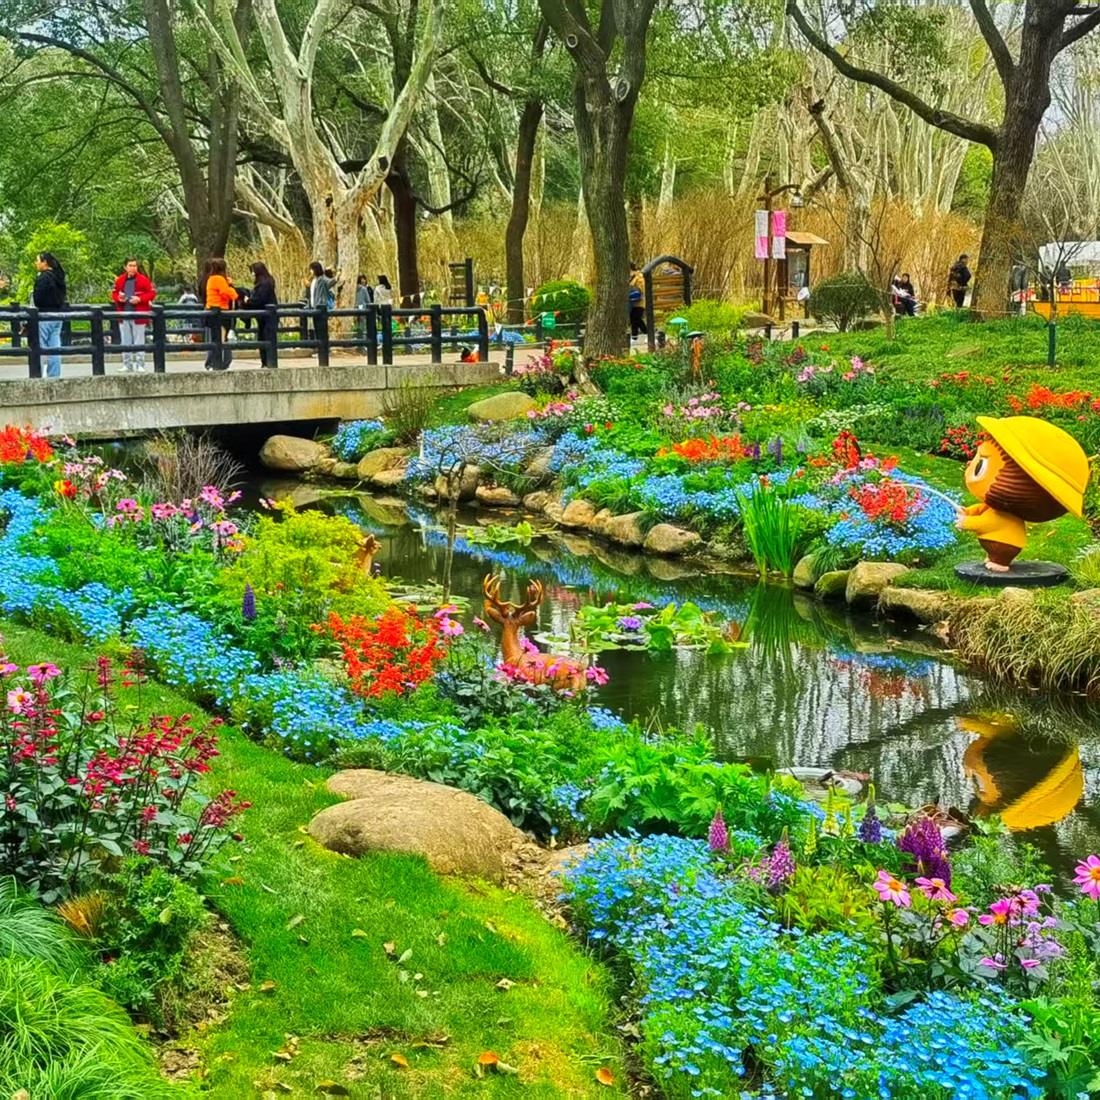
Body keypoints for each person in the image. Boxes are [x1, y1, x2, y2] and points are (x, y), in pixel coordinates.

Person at [110, 257, 156, 373]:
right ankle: (127, 364)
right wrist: (119, 298)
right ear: (125, 267)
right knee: (125, 340)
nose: (132, 268)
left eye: (134, 265)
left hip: (138, 314)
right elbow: (114, 293)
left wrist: (140, 299)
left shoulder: (143, 280)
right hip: (124, 312)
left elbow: (152, 293)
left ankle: (140, 364)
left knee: (139, 340)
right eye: (130, 265)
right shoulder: (120, 280)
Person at [32, 252, 66, 378]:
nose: (36, 263)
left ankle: (37, 374)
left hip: (44, 315)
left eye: (37, 261)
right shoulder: (59, 277)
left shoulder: (43, 278)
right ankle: (54, 375)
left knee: (39, 347)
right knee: (55, 347)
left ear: (44, 262)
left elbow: (38, 299)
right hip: (58, 316)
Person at [203, 257, 238, 370]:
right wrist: (233, 291)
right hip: (221, 311)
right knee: (220, 339)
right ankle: (217, 363)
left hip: (211, 309)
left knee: (215, 338)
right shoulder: (219, 279)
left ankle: (213, 363)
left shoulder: (211, 279)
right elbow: (226, 292)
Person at [250, 262, 279, 368]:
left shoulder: (265, 284)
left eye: (253, 271)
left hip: (268, 316)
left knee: (267, 338)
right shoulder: (265, 282)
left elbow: (259, 299)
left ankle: (268, 362)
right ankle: (266, 362)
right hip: (264, 317)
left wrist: (249, 301)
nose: (252, 274)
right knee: (263, 338)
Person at [354, 274, 373, 349]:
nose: (363, 281)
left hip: (355, 308)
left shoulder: (354, 288)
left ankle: (359, 341)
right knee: (363, 326)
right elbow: (368, 300)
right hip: (363, 308)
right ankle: (363, 343)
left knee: (357, 326)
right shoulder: (364, 289)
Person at [629, 261, 646, 339]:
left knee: (637, 318)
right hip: (632, 302)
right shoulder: (632, 277)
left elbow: (641, 289)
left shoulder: (639, 277)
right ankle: (634, 337)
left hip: (639, 301)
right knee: (633, 319)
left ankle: (647, 332)